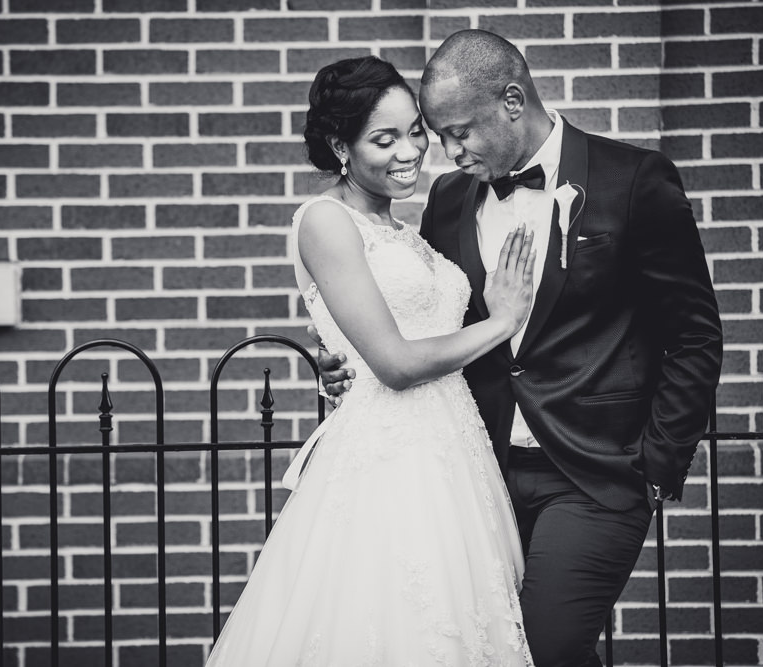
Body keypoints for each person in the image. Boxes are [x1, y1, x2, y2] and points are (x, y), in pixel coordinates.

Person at [320, 31, 724, 667]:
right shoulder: (451, 200)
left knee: (542, 648)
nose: (447, 154)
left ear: (512, 100)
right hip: (478, 472)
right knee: (493, 650)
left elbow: (694, 333)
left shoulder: (634, 180)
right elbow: (426, 325)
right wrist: (345, 364)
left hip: (594, 474)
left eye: (460, 132)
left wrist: (659, 463)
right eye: (440, 134)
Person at [205, 55, 537, 666]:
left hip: (455, 455)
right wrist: (502, 321)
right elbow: (396, 364)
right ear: (340, 145)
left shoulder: (409, 229)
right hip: (389, 460)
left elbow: (410, 331)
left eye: (415, 130)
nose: (410, 150)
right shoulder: (325, 222)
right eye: (384, 139)